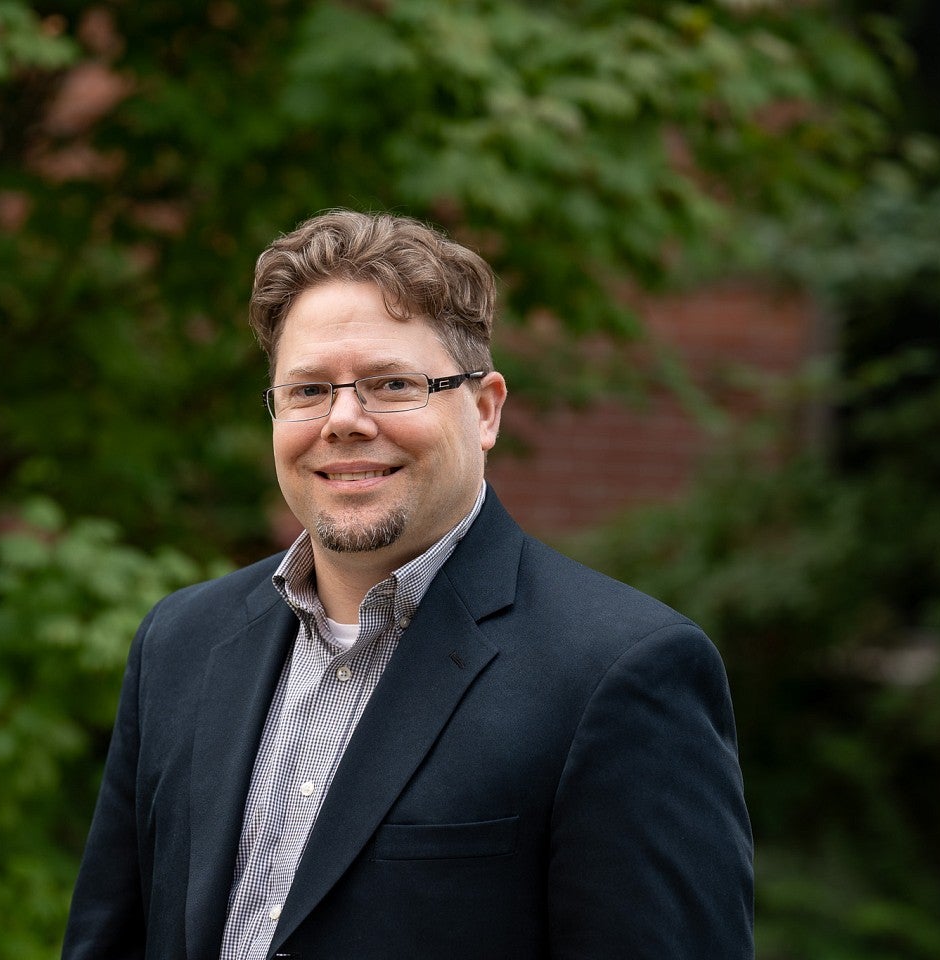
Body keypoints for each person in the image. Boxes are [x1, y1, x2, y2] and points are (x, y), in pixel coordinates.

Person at [61, 210, 754, 960]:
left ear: (485, 409)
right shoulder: (182, 643)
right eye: (308, 391)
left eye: (392, 384)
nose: (344, 421)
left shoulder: (621, 674)